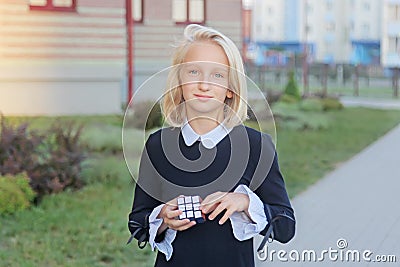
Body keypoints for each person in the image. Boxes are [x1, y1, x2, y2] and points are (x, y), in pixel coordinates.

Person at [127, 24, 295, 267]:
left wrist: (246, 203)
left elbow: (285, 226)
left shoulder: (256, 147)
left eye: (217, 75)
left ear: (230, 88)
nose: (204, 85)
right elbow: (137, 223)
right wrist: (163, 217)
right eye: (193, 72)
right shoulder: (157, 146)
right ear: (179, 82)